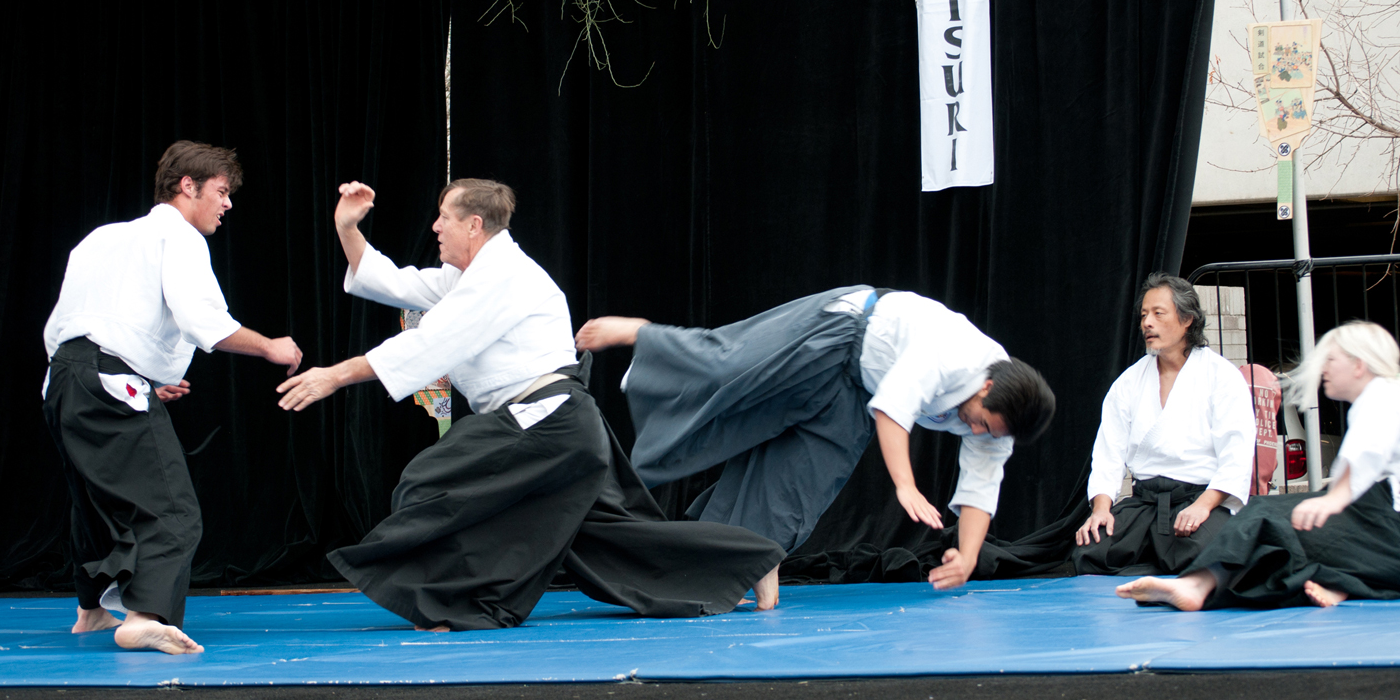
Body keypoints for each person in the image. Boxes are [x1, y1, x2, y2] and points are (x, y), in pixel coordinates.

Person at [276, 179, 786, 631]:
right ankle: (748, 558)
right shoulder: (468, 278)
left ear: (474, 225)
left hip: (545, 421)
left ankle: (463, 600)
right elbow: (391, 282)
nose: (434, 227)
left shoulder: (504, 277)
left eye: (443, 218)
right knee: (606, 540)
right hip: (560, 424)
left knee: (433, 482)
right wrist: (348, 227)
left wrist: (335, 375)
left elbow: (430, 345)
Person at [574, 287, 1056, 591]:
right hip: (838, 331)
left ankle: (751, 561)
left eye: (987, 433)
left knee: (799, 485)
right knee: (730, 367)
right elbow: (894, 408)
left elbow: (981, 486)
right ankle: (645, 335)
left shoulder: (1001, 419)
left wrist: (968, 557)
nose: (975, 433)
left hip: (855, 390)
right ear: (988, 386)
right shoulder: (956, 351)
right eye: (980, 422)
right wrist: (905, 486)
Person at [42, 141, 304, 655]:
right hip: (106, 377)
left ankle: (91, 610)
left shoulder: (101, 238)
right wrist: (270, 346)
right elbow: (202, 320)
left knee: (96, 501)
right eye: (222, 192)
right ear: (189, 186)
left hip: (65, 381)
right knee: (172, 509)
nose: (227, 205)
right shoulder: (177, 235)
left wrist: (129, 376)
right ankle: (145, 615)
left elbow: (77, 326)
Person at [1118, 321, 1400, 610]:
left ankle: (1199, 585)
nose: (1323, 369)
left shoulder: (1383, 398)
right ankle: (1340, 583)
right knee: (1291, 535)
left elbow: (1367, 454)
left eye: (1331, 360)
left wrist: (1333, 499)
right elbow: (1362, 464)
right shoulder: (1383, 401)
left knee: (1268, 514)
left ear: (1358, 365)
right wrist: (1332, 497)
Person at [1072, 273, 1256, 576]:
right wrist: (1101, 509)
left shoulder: (1221, 376)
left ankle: (1155, 566)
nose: (1147, 323)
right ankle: (1155, 563)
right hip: (1145, 502)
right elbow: (1109, 454)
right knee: (1091, 551)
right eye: (1144, 315)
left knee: (1201, 555)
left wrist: (1204, 506)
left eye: (1158, 313)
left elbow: (1236, 456)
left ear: (1186, 320)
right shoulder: (1129, 382)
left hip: (1200, 499)